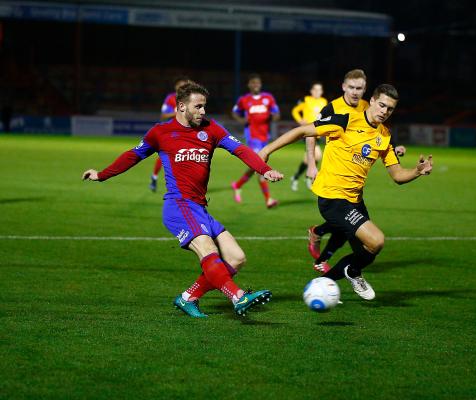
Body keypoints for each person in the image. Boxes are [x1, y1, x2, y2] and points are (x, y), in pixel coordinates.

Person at [82, 82, 283, 318]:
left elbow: (241, 150)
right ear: (181, 107)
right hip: (179, 205)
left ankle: (188, 297)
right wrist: (102, 175)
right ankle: (238, 297)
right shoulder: (160, 132)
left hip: (199, 207)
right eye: (198, 107)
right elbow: (132, 156)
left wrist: (264, 169)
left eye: (204, 107)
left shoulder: (211, 129)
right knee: (208, 250)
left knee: (237, 259)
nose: (203, 112)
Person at [259, 84, 433, 300]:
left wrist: (416, 171)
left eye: (390, 109)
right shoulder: (346, 121)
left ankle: (345, 274)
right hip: (333, 199)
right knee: (377, 240)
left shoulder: (385, 136)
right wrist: (266, 150)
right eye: (381, 105)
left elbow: (397, 175)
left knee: (366, 253)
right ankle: (327, 282)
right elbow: (302, 131)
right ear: (371, 101)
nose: (384, 112)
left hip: (355, 201)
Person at [305, 70, 406, 273]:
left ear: (365, 90)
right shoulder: (332, 108)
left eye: (359, 88)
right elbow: (310, 132)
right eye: (351, 87)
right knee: (348, 225)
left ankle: (321, 240)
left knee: (349, 227)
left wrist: (394, 150)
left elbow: (378, 136)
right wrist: (311, 163)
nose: (355, 92)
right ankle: (324, 258)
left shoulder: (368, 107)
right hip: (334, 174)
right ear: (343, 86)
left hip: (354, 183)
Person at [230, 74, 281, 208]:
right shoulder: (244, 100)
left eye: (257, 83)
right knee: (260, 166)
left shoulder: (268, 98)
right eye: (253, 83)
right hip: (253, 138)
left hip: (265, 137)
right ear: (249, 85)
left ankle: (237, 185)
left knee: (255, 167)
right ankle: (268, 200)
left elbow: (277, 114)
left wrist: (273, 117)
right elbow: (235, 112)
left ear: (260, 84)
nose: (255, 85)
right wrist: (241, 120)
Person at [149, 77, 190, 192]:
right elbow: (163, 116)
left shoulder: (189, 99)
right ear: (176, 87)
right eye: (181, 86)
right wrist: (177, 112)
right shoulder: (170, 98)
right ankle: (154, 177)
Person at [290, 82, 328, 191]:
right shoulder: (306, 100)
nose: (317, 92)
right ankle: (307, 177)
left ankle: (297, 177)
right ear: (311, 91)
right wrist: (300, 121)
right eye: (315, 89)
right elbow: (295, 111)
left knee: (309, 159)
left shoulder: (323, 101)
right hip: (308, 132)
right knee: (317, 155)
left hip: (318, 132)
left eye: (319, 90)